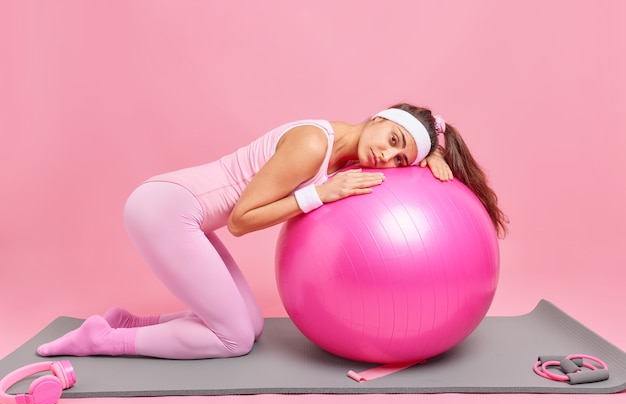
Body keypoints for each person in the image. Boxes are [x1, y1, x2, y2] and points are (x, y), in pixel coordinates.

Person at [36, 103, 508, 360]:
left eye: (401, 158)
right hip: (163, 210)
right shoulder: (312, 143)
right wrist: (321, 196)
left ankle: (126, 322)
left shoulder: (346, 150)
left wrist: (434, 155)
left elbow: (415, 140)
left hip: (182, 212)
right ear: (382, 116)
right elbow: (241, 221)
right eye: (393, 140)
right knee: (234, 341)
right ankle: (101, 341)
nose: (387, 157)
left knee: (253, 326)